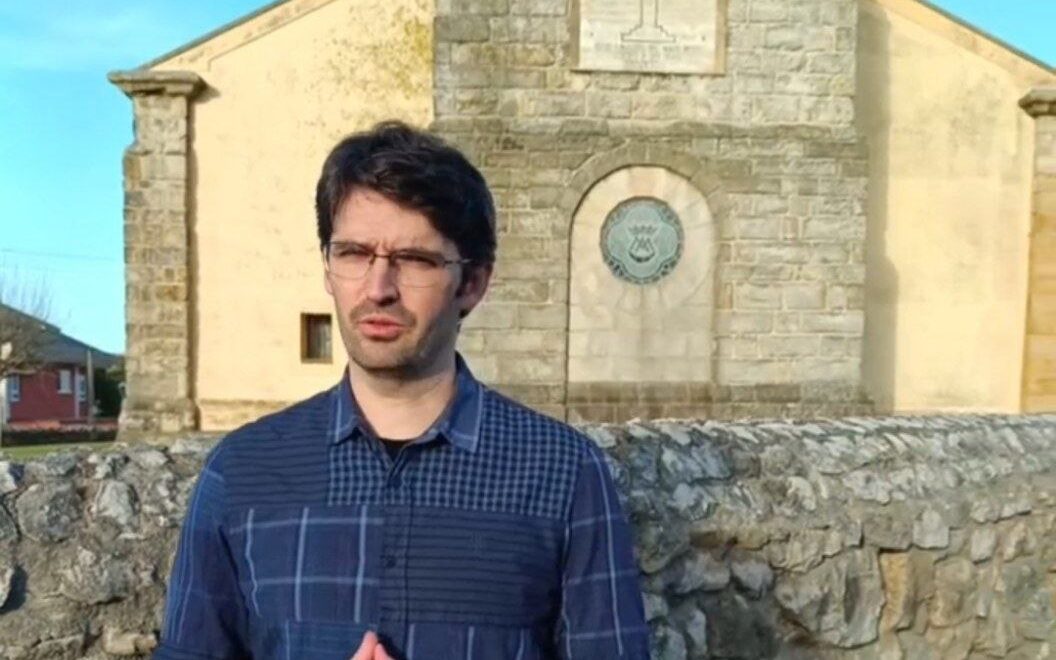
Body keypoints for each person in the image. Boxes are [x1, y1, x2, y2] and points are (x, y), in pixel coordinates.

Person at [154, 121, 649, 660]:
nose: (378, 288)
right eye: (353, 254)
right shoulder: (242, 472)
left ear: (473, 282)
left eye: (414, 260)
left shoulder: (564, 474)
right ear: (327, 266)